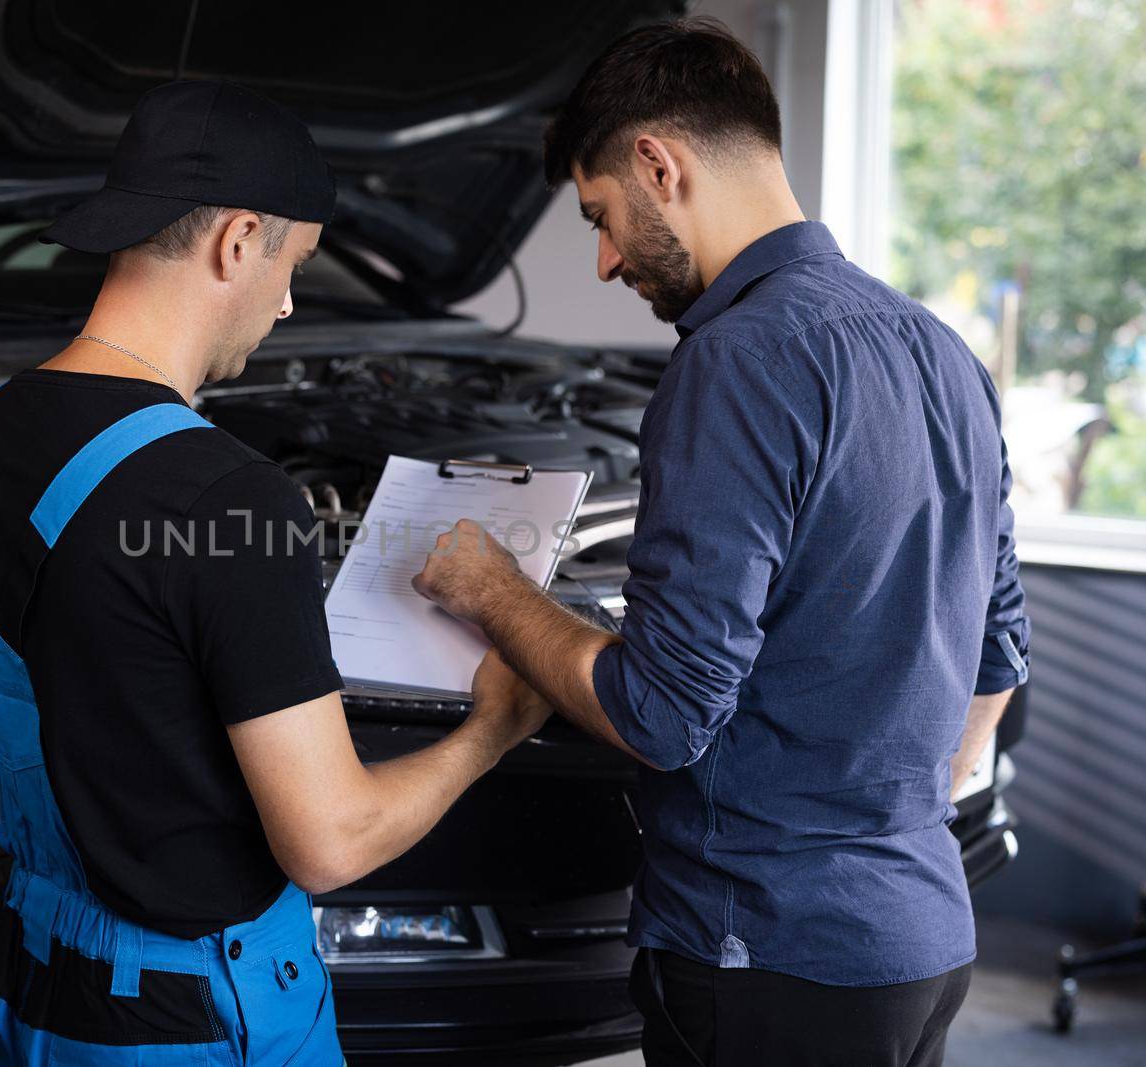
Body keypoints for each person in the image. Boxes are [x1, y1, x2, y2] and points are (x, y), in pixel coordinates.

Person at [411, 18, 1030, 1067]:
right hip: (920, 939)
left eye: (601, 217)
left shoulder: (738, 362)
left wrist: (494, 588)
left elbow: (662, 714)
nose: (605, 260)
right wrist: (892, 821)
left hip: (769, 958)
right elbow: (998, 648)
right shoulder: (937, 348)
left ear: (659, 163)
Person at [0, 80, 552, 1067]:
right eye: (294, 262)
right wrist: (493, 728)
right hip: (199, 1014)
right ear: (238, 238)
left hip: (26, 992)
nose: (290, 300)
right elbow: (329, 841)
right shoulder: (228, 497)